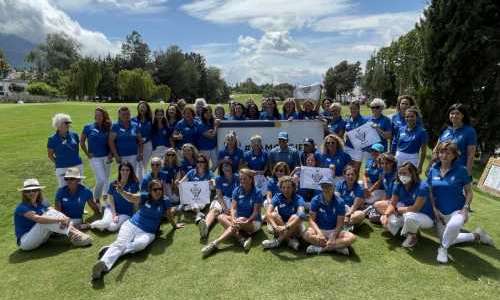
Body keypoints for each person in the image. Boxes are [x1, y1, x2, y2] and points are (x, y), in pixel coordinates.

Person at [91, 179, 184, 280]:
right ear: (150, 190)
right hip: (131, 225)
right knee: (120, 244)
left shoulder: (165, 200)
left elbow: (169, 215)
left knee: (139, 245)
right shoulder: (145, 196)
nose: (158, 191)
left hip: (148, 232)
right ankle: (103, 266)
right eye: (155, 189)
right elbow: (131, 197)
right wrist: (122, 191)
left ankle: (111, 249)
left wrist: (175, 226)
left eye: (160, 189)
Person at [428, 142, 494, 263]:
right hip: (439, 213)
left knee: (453, 227)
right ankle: (477, 235)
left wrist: (465, 208)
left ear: (454, 155)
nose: (444, 155)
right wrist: (434, 209)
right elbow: (430, 192)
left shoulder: (461, 170)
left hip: (457, 210)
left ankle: (442, 249)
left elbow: (469, 192)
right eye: (441, 152)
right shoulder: (433, 169)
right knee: (448, 238)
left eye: (448, 153)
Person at [14, 178, 92, 250]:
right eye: (28, 191)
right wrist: (61, 219)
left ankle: (76, 233)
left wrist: (65, 218)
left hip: (41, 239)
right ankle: (74, 235)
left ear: (39, 191)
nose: (31, 193)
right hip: (26, 242)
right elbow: (39, 219)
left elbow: (55, 212)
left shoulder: (42, 203)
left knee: (51, 213)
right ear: (24, 193)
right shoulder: (22, 207)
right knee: (44, 219)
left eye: (34, 190)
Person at [201, 169, 262, 257]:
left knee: (238, 221)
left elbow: (256, 212)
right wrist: (233, 218)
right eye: (241, 179)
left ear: (251, 179)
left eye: (244, 179)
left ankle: (215, 243)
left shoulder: (257, 192)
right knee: (220, 217)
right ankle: (241, 238)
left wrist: (247, 220)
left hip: (254, 222)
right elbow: (233, 208)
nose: (242, 181)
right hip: (239, 220)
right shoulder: (237, 190)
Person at [380, 162, 434, 248]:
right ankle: (408, 233)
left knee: (410, 216)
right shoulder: (398, 185)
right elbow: (392, 203)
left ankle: (412, 237)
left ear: (412, 174)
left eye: (404, 173)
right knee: (386, 219)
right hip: (407, 212)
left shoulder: (422, 186)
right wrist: (386, 215)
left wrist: (397, 210)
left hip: (425, 216)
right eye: (400, 173)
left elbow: (415, 208)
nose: (402, 176)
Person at [303, 178, 356, 255]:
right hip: (320, 229)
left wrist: (333, 236)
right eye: (323, 186)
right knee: (306, 234)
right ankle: (337, 247)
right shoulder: (315, 200)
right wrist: (319, 233)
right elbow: (311, 220)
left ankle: (320, 248)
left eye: (328, 186)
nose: (326, 189)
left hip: (334, 231)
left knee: (352, 238)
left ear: (333, 187)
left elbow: (340, 224)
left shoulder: (340, 202)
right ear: (321, 188)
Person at [90, 161, 139, 232]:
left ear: (130, 171)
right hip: (112, 209)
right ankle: (89, 225)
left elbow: (135, 200)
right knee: (105, 223)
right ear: (119, 171)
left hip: (126, 213)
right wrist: (114, 214)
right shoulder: (113, 183)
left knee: (112, 227)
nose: (125, 172)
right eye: (123, 170)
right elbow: (111, 200)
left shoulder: (134, 184)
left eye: (127, 170)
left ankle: (101, 226)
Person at [199, 158, 239, 240]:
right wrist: (224, 208)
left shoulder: (238, 177)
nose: (226, 168)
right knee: (214, 210)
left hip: (235, 200)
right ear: (221, 169)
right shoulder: (218, 179)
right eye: (224, 166)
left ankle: (234, 228)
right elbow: (219, 195)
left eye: (228, 166)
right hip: (223, 198)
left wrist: (231, 207)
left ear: (231, 167)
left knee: (234, 214)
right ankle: (205, 227)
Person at [262, 176, 306, 251]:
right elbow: (268, 213)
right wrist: (275, 226)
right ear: (280, 188)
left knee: (295, 216)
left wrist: (285, 227)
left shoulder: (299, 198)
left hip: (294, 227)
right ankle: (289, 240)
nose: (286, 190)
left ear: (293, 188)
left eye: (288, 187)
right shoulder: (277, 197)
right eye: (283, 187)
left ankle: (277, 242)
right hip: (280, 227)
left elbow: (301, 215)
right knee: (273, 214)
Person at [81, 107, 113, 203]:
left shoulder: (109, 127)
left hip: (107, 157)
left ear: (104, 116)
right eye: (96, 114)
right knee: (101, 179)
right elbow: (82, 142)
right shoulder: (88, 127)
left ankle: (105, 199)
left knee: (106, 179)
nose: (98, 116)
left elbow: (112, 142)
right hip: (94, 158)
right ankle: (97, 197)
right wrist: (87, 154)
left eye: (100, 115)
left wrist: (111, 154)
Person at [436, 103, 477, 174]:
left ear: (463, 115)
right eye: (452, 113)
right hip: (441, 168)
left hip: (458, 170)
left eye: (457, 113)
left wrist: (467, 174)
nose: (454, 116)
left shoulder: (470, 131)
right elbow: (436, 149)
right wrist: (432, 165)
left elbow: (470, 155)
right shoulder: (445, 129)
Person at [176, 154, 215, 225]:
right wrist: (178, 183)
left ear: (206, 163)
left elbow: (213, 184)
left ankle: (188, 208)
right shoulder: (191, 172)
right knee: (195, 202)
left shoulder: (209, 173)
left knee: (198, 205)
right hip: (192, 195)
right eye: (198, 161)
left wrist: (211, 182)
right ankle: (198, 214)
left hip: (204, 196)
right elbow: (181, 183)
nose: (199, 163)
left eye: (202, 162)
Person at [47, 113, 83, 187]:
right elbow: (50, 155)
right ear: (58, 124)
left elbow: (76, 150)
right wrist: (59, 162)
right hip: (62, 167)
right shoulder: (52, 139)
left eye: (69, 123)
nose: (69, 125)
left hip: (77, 165)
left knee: (79, 187)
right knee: (63, 188)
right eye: (66, 123)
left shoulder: (74, 135)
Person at [109, 106, 143, 175]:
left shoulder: (135, 125)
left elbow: (140, 141)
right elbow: (111, 141)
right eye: (123, 114)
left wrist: (140, 153)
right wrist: (116, 155)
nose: (126, 116)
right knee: (122, 176)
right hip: (121, 156)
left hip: (134, 155)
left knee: (133, 175)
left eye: (127, 114)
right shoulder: (115, 126)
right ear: (119, 115)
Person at [393, 107, 428, 174]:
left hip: (413, 158)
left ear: (416, 117)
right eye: (407, 117)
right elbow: (396, 144)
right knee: (397, 178)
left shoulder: (422, 131)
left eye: (412, 116)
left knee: (411, 179)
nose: (409, 118)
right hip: (399, 157)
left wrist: (420, 166)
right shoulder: (401, 129)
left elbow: (423, 151)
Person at [343, 100, 368, 172]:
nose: (353, 110)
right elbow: (346, 131)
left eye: (354, 108)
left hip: (358, 149)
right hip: (347, 147)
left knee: (355, 171)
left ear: (358, 109)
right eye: (351, 108)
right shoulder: (348, 119)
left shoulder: (363, 120)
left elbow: (365, 135)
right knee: (346, 170)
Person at [133, 101, 153, 181]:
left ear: (147, 109)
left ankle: (142, 181)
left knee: (143, 164)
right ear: (138, 108)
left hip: (148, 145)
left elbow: (153, 132)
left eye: (144, 107)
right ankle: (140, 182)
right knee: (139, 164)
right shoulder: (133, 120)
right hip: (136, 145)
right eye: (140, 107)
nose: (142, 108)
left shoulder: (151, 120)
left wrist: (146, 138)